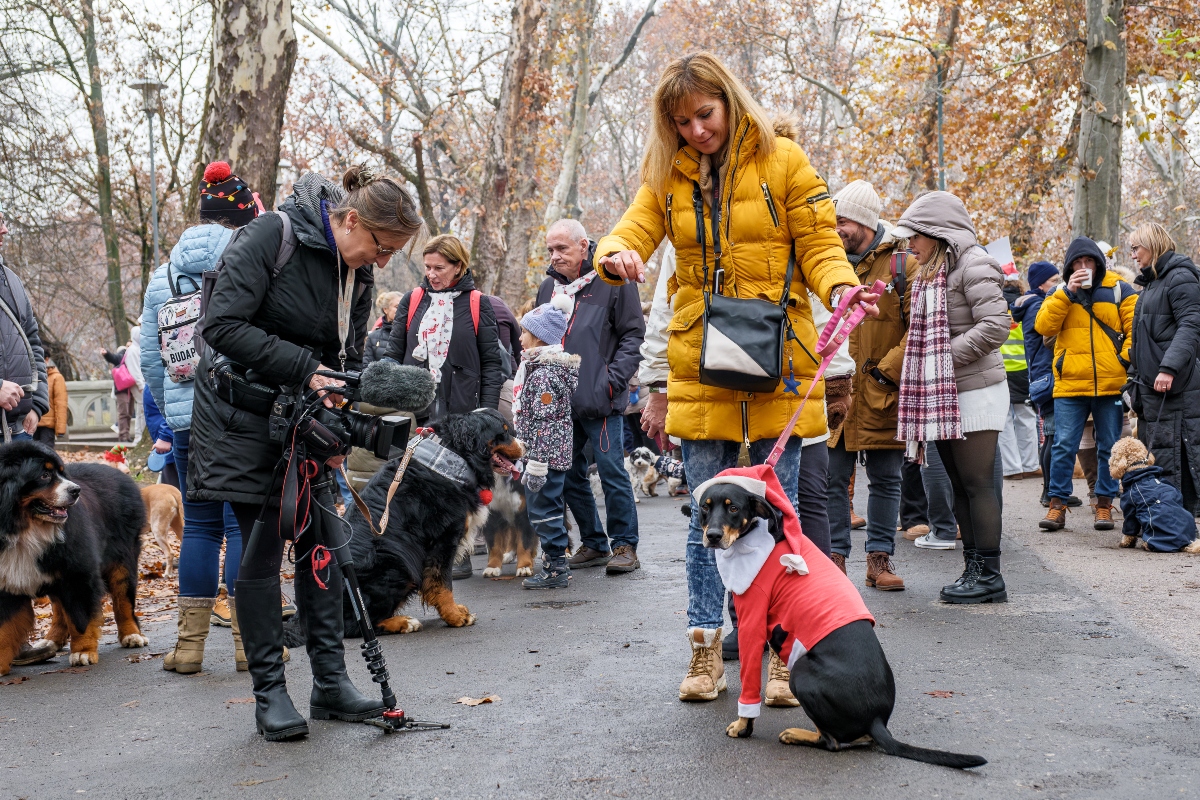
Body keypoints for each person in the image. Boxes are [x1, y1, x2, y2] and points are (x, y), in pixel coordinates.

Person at [595, 52, 877, 701]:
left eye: (704, 114)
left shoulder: (786, 160)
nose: (696, 130)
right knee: (705, 519)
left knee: (784, 522)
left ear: (728, 100)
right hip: (702, 364)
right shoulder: (666, 173)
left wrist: (842, 288)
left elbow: (821, 246)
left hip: (779, 359)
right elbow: (633, 226)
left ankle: (783, 657)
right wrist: (618, 254)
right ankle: (704, 655)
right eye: (682, 121)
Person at [190, 164, 421, 741]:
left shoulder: (357, 272)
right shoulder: (272, 235)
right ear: (348, 221)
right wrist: (305, 370)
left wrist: (345, 415)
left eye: (393, 252)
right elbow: (219, 325)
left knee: (323, 544)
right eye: (381, 246)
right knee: (264, 548)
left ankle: (331, 684)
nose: (384, 261)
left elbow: (346, 360)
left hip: (306, 422)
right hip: (241, 420)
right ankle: (270, 693)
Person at [141, 181, 260, 674]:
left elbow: (149, 359)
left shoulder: (162, 276)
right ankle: (246, 645)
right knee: (238, 526)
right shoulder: (249, 260)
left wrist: (172, 414)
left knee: (201, 527)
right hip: (238, 412)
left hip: (188, 421)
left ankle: (188, 649)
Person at [893, 191, 1010, 604]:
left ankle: (990, 575)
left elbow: (997, 325)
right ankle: (973, 568)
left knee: (977, 484)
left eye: (915, 238)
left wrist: (943, 357)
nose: (910, 246)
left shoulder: (975, 263)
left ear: (937, 233)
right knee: (960, 486)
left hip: (977, 390)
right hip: (945, 392)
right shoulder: (931, 270)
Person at [385, 234, 504, 578]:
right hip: (418, 408)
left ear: (458, 267)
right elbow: (394, 355)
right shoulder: (413, 300)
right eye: (427, 267)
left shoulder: (478, 303)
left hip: (463, 412)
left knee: (457, 481)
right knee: (417, 480)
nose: (432, 273)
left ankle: (457, 553)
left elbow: (491, 363)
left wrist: (488, 413)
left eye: (439, 267)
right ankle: (416, 551)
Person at [535, 218, 646, 576]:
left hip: (600, 399)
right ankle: (595, 543)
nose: (555, 257)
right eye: (550, 250)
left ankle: (625, 545)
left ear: (584, 246)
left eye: (562, 249)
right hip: (557, 402)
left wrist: (610, 382)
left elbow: (632, 336)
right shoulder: (547, 289)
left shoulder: (614, 280)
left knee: (613, 471)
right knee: (567, 476)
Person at [825, 180, 919, 581]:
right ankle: (834, 561)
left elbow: (920, 328)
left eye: (842, 220)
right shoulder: (828, 261)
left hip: (883, 392)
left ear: (863, 221)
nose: (836, 229)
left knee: (886, 478)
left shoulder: (904, 265)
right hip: (835, 391)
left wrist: (885, 372)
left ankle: (879, 560)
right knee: (829, 480)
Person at [1035, 237, 1135, 532]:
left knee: (1109, 447)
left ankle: (1103, 505)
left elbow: (1135, 329)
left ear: (1098, 263)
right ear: (1068, 267)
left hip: (1109, 384)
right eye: (1076, 263)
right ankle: (1057, 505)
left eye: (1088, 262)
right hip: (1069, 385)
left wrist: (1123, 361)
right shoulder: (1058, 292)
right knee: (1064, 446)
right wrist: (1067, 293)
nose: (1083, 267)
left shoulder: (1119, 288)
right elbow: (1043, 327)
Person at [1127, 222, 1200, 515]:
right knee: (1161, 453)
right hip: (1151, 389)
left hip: (1177, 384)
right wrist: (1133, 376)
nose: (1133, 255)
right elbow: (1141, 337)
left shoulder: (1181, 277)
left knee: (1181, 450)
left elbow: (1191, 324)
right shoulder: (1150, 283)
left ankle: (1182, 517)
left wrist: (1168, 368)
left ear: (1153, 245)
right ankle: (1166, 515)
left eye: (1136, 247)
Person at [512, 298, 579, 589]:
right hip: (547, 454)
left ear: (538, 336)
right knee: (546, 507)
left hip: (544, 458)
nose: (520, 337)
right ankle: (556, 564)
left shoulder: (543, 376)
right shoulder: (541, 370)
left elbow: (545, 422)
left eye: (524, 332)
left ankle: (555, 569)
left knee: (544, 510)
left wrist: (536, 463)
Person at [0, 206, 48, 444]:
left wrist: (36, 404)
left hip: (18, 431)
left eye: (3, 221)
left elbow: (33, 344)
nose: (5, 230)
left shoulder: (12, 280)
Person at [998, 274, 1041, 479]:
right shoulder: (1025, 308)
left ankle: (1012, 469)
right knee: (1026, 417)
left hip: (1000, 370)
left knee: (1004, 420)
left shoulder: (995, 307)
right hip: (1023, 370)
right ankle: (1030, 464)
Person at [362, 290, 402, 366]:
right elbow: (366, 367)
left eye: (404, 306)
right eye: (397, 307)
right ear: (385, 309)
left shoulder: (410, 334)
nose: (401, 309)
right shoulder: (373, 337)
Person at [34, 358, 68, 447]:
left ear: (47, 359)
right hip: (31, 422)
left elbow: (61, 404)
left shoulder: (56, 377)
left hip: (47, 426)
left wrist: (60, 430)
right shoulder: (29, 375)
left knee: (47, 454)